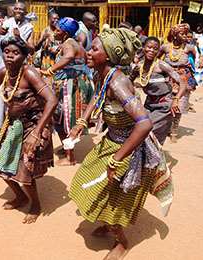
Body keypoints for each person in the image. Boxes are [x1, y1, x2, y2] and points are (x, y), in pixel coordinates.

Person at [68, 28, 173, 259]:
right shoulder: (102, 74)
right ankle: (108, 224)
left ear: (108, 55)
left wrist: (117, 159)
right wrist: (82, 122)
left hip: (129, 150)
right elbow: (97, 96)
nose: (88, 52)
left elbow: (144, 124)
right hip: (111, 141)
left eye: (94, 49)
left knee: (115, 198)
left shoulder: (118, 83)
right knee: (87, 181)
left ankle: (122, 243)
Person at [0, 36, 57, 224]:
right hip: (13, 123)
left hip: (34, 124)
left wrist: (37, 132)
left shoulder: (29, 73)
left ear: (24, 56)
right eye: (7, 52)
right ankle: (21, 197)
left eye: (15, 53)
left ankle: (35, 204)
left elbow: (52, 100)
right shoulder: (4, 73)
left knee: (25, 169)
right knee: (1, 163)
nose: (9, 56)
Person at [41, 17, 94, 166]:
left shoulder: (68, 43)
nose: (55, 32)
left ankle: (70, 157)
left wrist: (50, 70)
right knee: (63, 118)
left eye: (58, 30)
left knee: (64, 118)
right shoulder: (75, 43)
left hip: (70, 87)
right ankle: (66, 149)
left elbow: (69, 56)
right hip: (74, 84)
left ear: (64, 33)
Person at [0, 2, 34, 133]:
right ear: (13, 10)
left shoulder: (29, 27)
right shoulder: (5, 23)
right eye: (16, 8)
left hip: (18, 66)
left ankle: (13, 125)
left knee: (14, 93)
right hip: (0, 63)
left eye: (22, 9)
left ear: (26, 12)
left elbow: (32, 49)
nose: (18, 11)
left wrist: (20, 38)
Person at [130, 37, 186, 145]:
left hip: (164, 104)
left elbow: (182, 83)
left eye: (155, 49)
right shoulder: (138, 67)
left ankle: (154, 159)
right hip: (149, 103)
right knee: (139, 129)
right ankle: (147, 158)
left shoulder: (161, 65)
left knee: (148, 131)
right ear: (143, 48)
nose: (151, 51)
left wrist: (176, 99)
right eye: (149, 47)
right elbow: (128, 82)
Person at [158, 23, 197, 143]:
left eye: (186, 34)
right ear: (174, 35)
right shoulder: (165, 47)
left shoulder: (189, 48)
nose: (185, 36)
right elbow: (157, 60)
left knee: (179, 106)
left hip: (183, 80)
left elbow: (192, 62)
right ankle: (165, 128)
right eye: (182, 34)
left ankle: (174, 131)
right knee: (166, 104)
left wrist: (186, 73)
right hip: (167, 79)